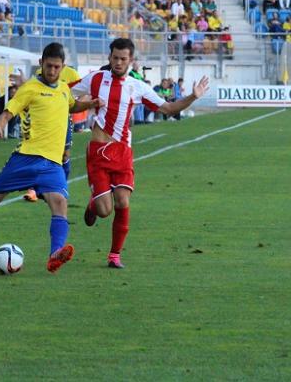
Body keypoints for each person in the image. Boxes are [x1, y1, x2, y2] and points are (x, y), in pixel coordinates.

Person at [0, 43, 103, 274]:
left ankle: (55, 254)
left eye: (57, 67)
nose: (52, 70)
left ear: (63, 67)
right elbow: (10, 110)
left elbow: (72, 105)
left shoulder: (64, 88)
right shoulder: (30, 88)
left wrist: (91, 104)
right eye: (49, 66)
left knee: (60, 203)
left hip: (52, 164)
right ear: (41, 63)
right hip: (25, 159)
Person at [71, 38, 210, 269]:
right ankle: (94, 203)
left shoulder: (137, 87)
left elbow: (168, 108)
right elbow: (65, 93)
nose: (118, 62)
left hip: (122, 152)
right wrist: (80, 103)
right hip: (98, 151)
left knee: (123, 201)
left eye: (123, 59)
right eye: (114, 58)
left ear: (131, 61)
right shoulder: (95, 79)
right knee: (105, 210)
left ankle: (114, 255)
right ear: (109, 57)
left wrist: (193, 96)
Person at [20, 64, 81, 203]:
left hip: (63, 120)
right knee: (38, 153)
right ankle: (32, 190)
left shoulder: (72, 74)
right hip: (44, 121)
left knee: (64, 154)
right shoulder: (40, 73)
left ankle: (60, 188)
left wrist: (74, 105)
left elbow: (82, 93)